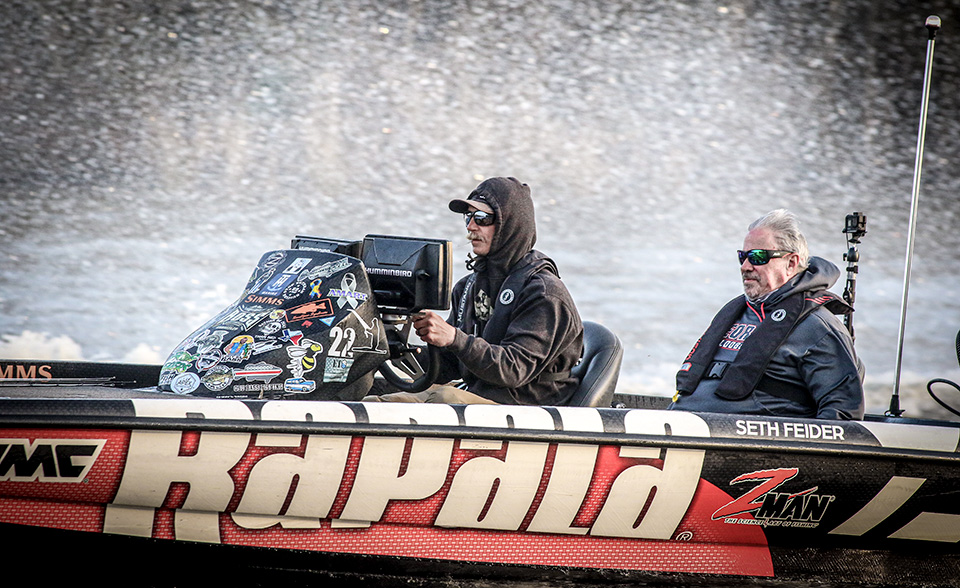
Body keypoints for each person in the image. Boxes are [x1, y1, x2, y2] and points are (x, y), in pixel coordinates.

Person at [365, 177, 583, 405]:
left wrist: (454, 338)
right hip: (478, 393)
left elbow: (514, 369)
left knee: (443, 398)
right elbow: (450, 366)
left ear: (510, 224)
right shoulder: (468, 286)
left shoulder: (544, 293)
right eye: (468, 217)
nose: (471, 226)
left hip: (530, 407)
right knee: (372, 405)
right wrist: (392, 346)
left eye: (482, 218)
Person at [670, 209, 865, 420]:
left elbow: (844, 414)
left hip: (738, 437)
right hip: (680, 423)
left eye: (758, 257)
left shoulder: (818, 327)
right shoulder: (735, 313)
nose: (745, 266)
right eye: (743, 256)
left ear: (791, 263)